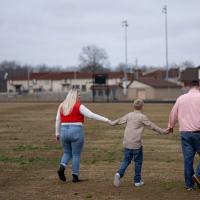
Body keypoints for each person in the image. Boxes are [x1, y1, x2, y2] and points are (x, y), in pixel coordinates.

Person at [109, 99, 169, 187]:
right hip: (136, 144)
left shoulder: (129, 115)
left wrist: (111, 122)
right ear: (142, 107)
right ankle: (137, 181)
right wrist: (163, 131)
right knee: (138, 162)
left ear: (133, 106)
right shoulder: (142, 117)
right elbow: (152, 126)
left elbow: (119, 121)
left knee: (126, 160)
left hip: (127, 143)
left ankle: (118, 174)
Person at [55, 88, 110, 182]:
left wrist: (57, 133)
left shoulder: (62, 105)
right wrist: (107, 120)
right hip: (76, 131)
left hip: (64, 131)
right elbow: (91, 115)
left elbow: (57, 120)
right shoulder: (79, 106)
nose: (80, 97)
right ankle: (75, 176)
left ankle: (62, 167)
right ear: (74, 96)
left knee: (67, 152)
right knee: (76, 154)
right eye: (79, 95)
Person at [168, 80, 200, 190]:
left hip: (185, 133)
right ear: (199, 86)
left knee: (188, 160)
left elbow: (173, 113)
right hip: (198, 132)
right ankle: (198, 175)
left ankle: (189, 185)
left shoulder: (181, 98)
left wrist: (171, 126)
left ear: (190, 86)